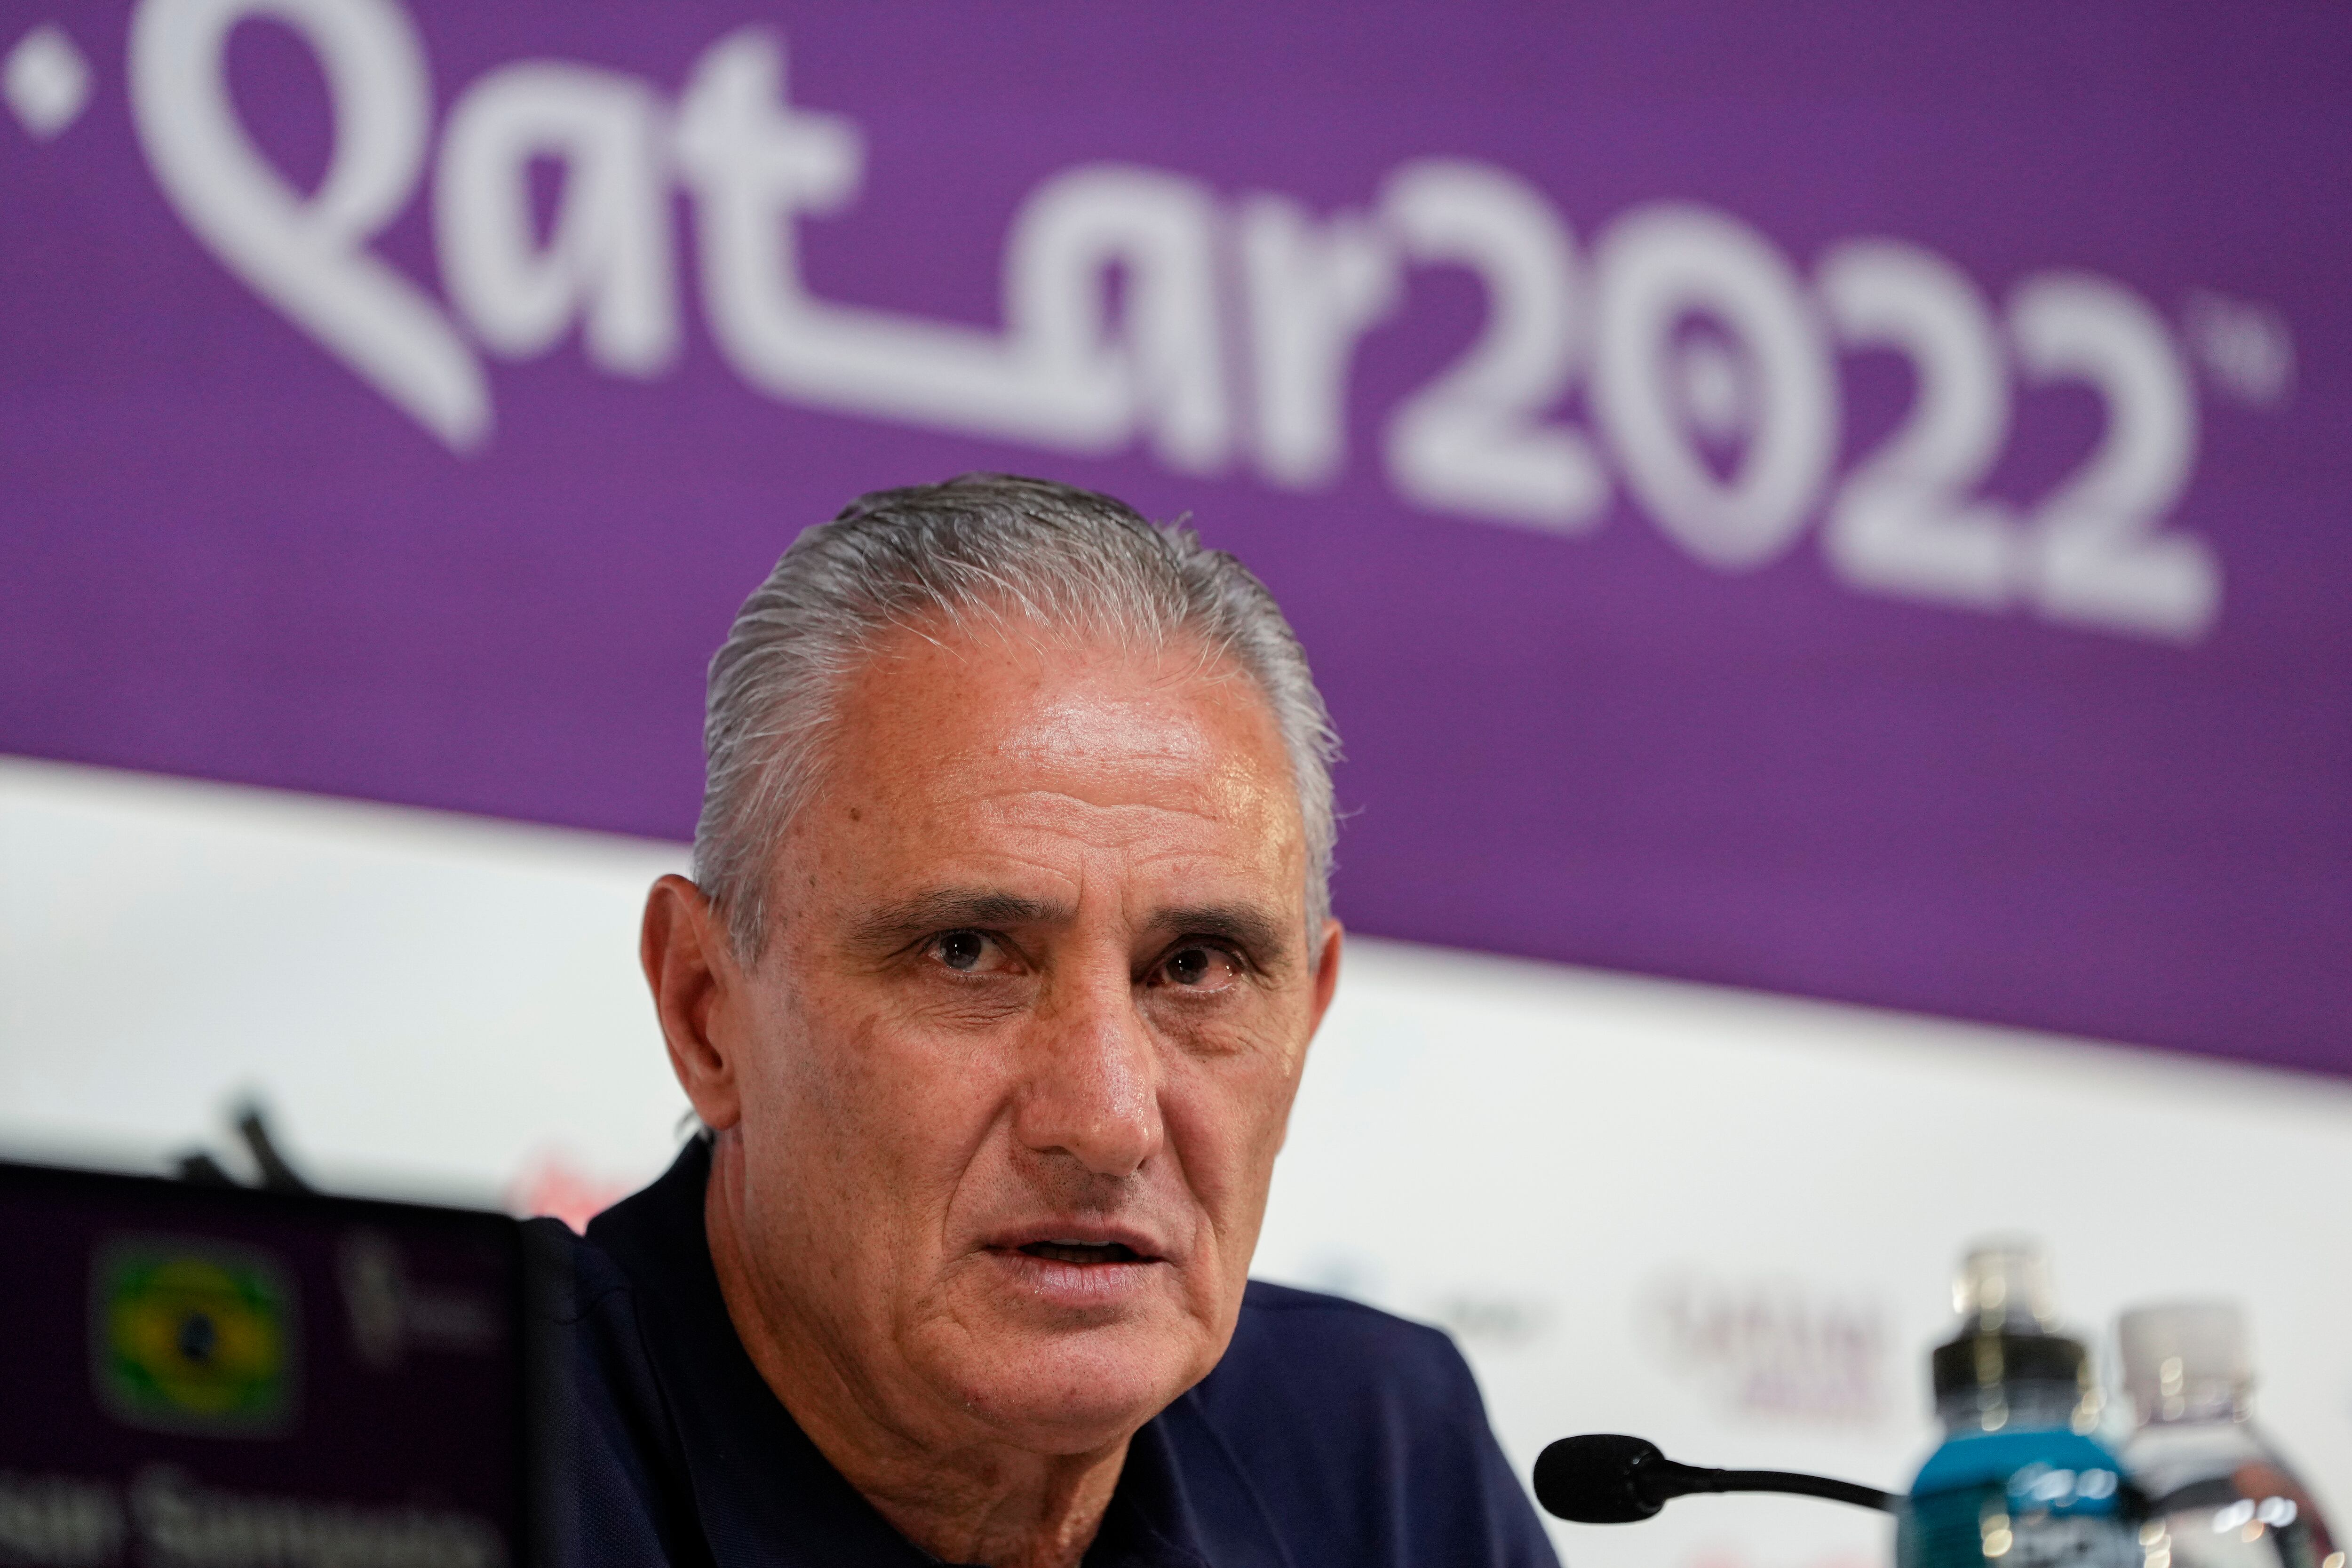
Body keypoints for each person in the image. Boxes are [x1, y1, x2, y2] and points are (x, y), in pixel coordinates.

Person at [532, 475, 1557, 1568]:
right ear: (705, 1011)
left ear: (1303, 1022)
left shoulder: (1380, 1466)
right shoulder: (449, 1459)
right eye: (967, 951)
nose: (1108, 1121)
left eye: (1195, 967)